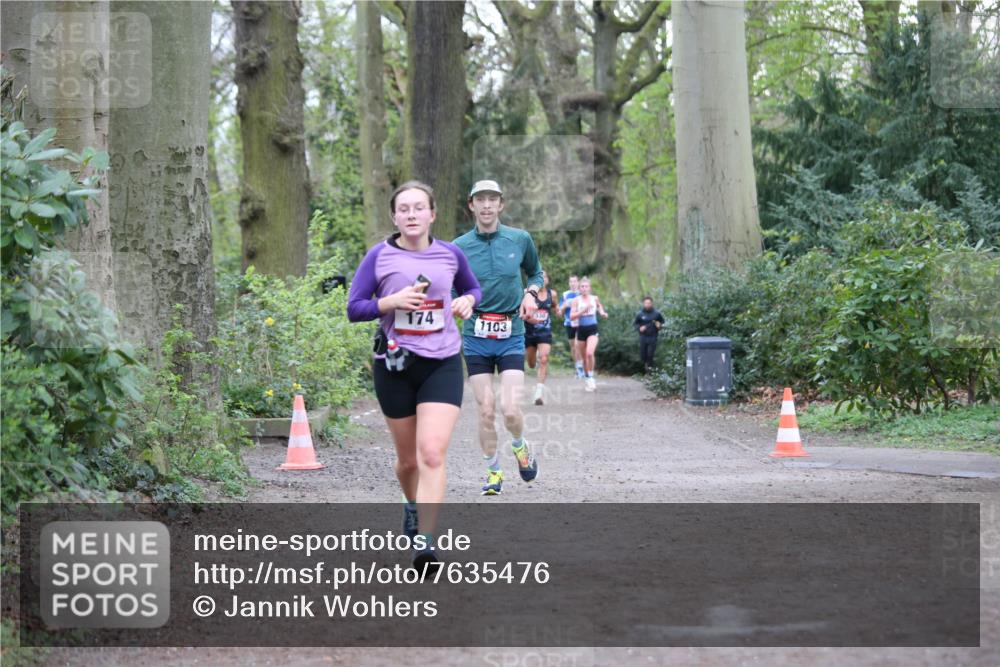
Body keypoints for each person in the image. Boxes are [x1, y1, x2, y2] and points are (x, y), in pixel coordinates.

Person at [347, 180, 481, 570]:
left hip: (442, 362)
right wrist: (390, 302)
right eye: (403, 209)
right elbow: (354, 307)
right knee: (408, 462)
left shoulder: (450, 255)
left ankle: (426, 542)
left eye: (418, 208)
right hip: (394, 365)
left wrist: (467, 300)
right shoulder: (379, 256)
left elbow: (474, 288)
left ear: (432, 214)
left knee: (432, 453)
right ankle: (410, 503)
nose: (411, 214)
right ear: (394, 216)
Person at [453, 179, 542, 496]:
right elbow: (451, 288)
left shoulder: (520, 239)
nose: (487, 205)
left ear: (501, 204)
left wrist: (531, 294)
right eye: (481, 200)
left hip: (511, 333)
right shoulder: (459, 247)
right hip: (476, 334)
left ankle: (520, 446)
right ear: (471, 205)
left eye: (493, 199)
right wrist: (457, 304)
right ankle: (493, 471)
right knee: (486, 409)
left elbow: (536, 272)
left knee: (509, 409)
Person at [569, 276, 608, 392]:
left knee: (590, 353)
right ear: (579, 288)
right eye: (582, 286)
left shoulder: (594, 298)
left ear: (589, 288)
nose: (584, 288)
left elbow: (599, 306)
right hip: (581, 330)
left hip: (592, 329)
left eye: (586, 286)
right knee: (584, 358)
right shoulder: (576, 300)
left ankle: (591, 377)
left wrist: (602, 313)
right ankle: (588, 378)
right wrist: (582, 310)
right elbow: (571, 316)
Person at [524, 270, 557, 405]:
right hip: (530, 333)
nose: (542, 279)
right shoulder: (527, 292)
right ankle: (535, 358)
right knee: (531, 364)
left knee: (544, 359)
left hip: (545, 332)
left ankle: (539, 393)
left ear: (548, 280)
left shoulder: (552, 294)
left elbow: (555, 306)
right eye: (540, 277)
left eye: (545, 277)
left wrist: (559, 310)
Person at [559, 275, 584, 379]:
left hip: (581, 323)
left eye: (575, 281)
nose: (573, 283)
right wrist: (565, 305)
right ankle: (577, 368)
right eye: (571, 282)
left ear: (578, 283)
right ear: (569, 283)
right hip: (569, 323)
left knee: (579, 345)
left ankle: (582, 367)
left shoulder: (582, 293)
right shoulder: (565, 295)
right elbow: (560, 312)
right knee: (573, 347)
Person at [634, 296, 665, 372]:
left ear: (652, 303)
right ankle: (646, 367)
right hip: (643, 337)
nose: (647, 304)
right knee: (643, 355)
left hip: (653, 336)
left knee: (650, 355)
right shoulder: (640, 314)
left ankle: (649, 372)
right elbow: (635, 324)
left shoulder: (657, 314)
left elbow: (662, 323)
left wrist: (659, 326)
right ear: (643, 304)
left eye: (649, 303)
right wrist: (639, 328)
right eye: (646, 303)